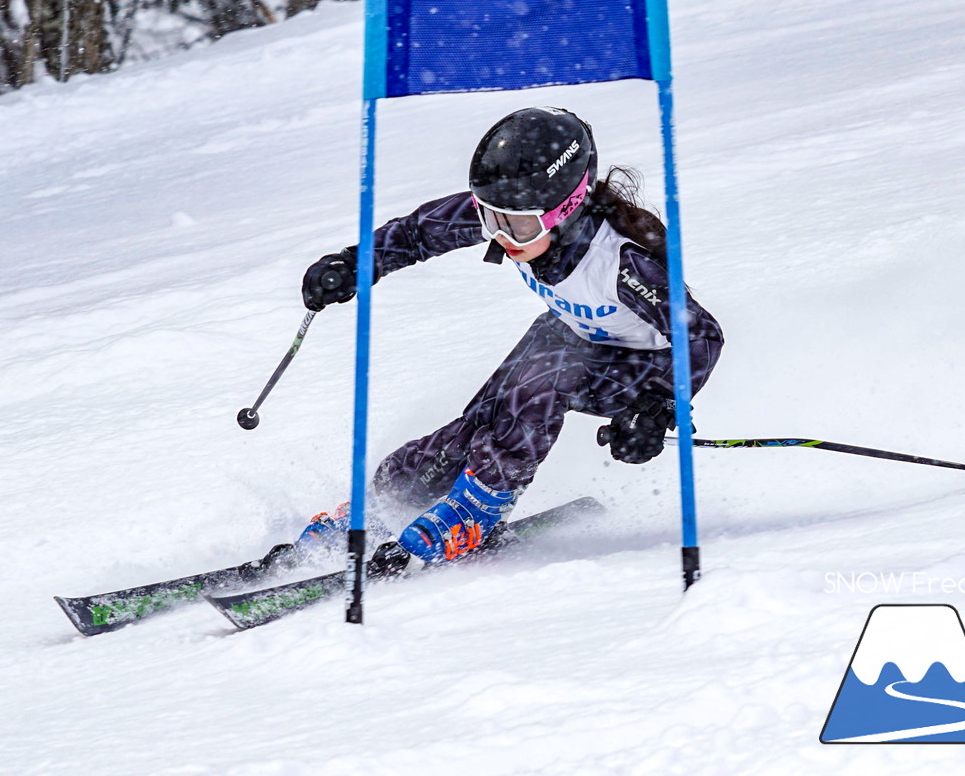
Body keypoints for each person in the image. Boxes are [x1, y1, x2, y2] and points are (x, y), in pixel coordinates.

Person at [294, 107, 723, 567]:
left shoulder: (621, 263)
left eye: (518, 225)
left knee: (544, 379)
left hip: (644, 365)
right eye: (489, 218)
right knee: (483, 419)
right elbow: (419, 233)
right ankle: (391, 501)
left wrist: (656, 408)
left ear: (568, 208)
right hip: (575, 335)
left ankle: (480, 507)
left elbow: (701, 335)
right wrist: (355, 265)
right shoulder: (512, 216)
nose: (501, 236)